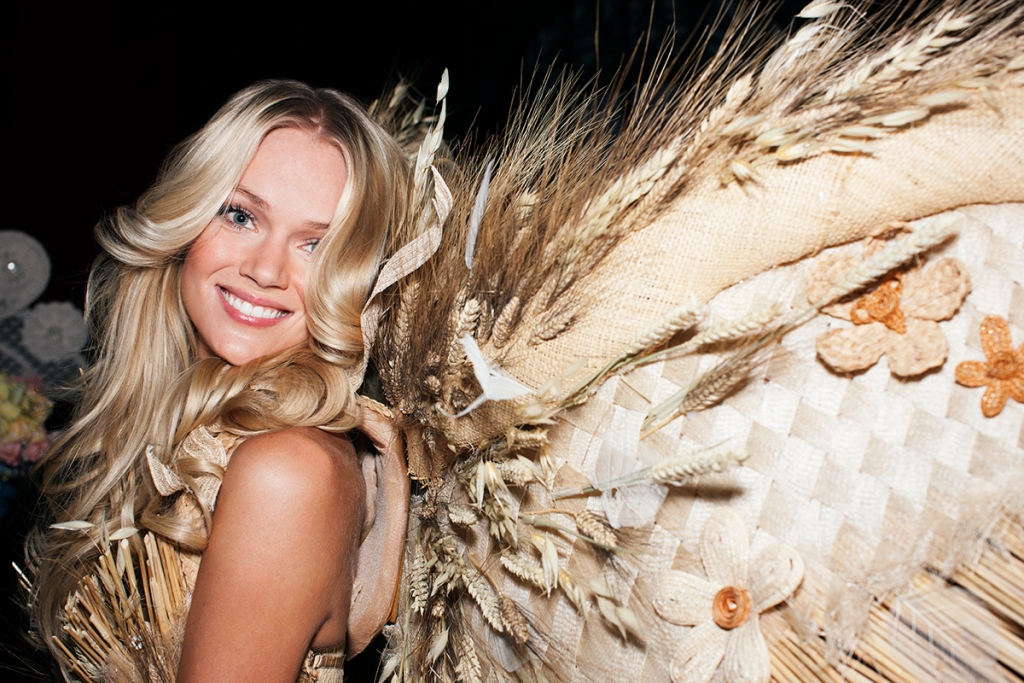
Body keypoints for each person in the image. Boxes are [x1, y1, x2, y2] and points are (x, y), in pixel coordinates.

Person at [28, 80, 411, 682]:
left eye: (317, 245)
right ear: (188, 217)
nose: (265, 269)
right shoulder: (190, 425)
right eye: (241, 215)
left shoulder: (288, 472)